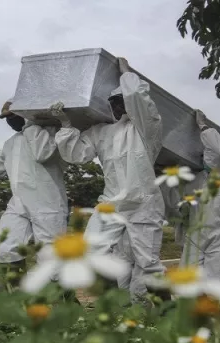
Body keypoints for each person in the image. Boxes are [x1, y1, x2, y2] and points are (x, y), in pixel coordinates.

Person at [53, 57, 165, 302]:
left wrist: (127, 74)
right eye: (113, 102)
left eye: (121, 101)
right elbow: (77, 153)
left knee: (148, 264)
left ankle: (168, 314)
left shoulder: (147, 129)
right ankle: (117, 308)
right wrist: (65, 124)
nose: (117, 107)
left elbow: (142, 103)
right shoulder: (101, 132)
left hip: (143, 204)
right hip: (111, 203)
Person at [0, 99, 68, 279]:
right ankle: (18, 297)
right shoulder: (11, 143)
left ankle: (64, 302)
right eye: (6, 118)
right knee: (6, 248)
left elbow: (42, 154)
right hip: (19, 201)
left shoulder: (48, 133)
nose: (10, 121)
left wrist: (30, 126)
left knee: (51, 257)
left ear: (25, 115)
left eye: (13, 116)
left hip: (47, 201)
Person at [162, 109, 220, 285]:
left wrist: (204, 128)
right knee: (188, 285)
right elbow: (173, 208)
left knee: (216, 287)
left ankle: (215, 312)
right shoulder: (193, 180)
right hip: (195, 235)